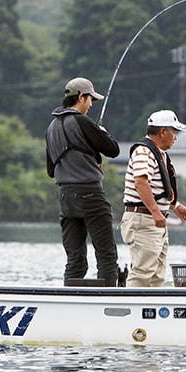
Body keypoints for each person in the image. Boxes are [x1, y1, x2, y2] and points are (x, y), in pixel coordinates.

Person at [45, 77, 121, 287]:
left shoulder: (52, 126)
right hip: (90, 195)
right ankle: (107, 302)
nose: (90, 105)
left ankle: (71, 299)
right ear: (81, 97)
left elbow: (51, 170)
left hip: (66, 198)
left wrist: (85, 158)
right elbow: (113, 150)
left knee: (75, 258)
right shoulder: (81, 120)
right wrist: (103, 134)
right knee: (106, 254)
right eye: (90, 100)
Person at [120, 109, 186, 287]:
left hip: (153, 220)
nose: (175, 137)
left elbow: (157, 188)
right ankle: (133, 310)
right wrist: (155, 212)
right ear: (163, 131)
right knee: (143, 272)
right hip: (144, 219)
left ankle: (149, 311)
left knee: (156, 274)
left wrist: (175, 206)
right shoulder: (144, 152)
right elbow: (141, 182)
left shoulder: (159, 153)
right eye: (174, 132)